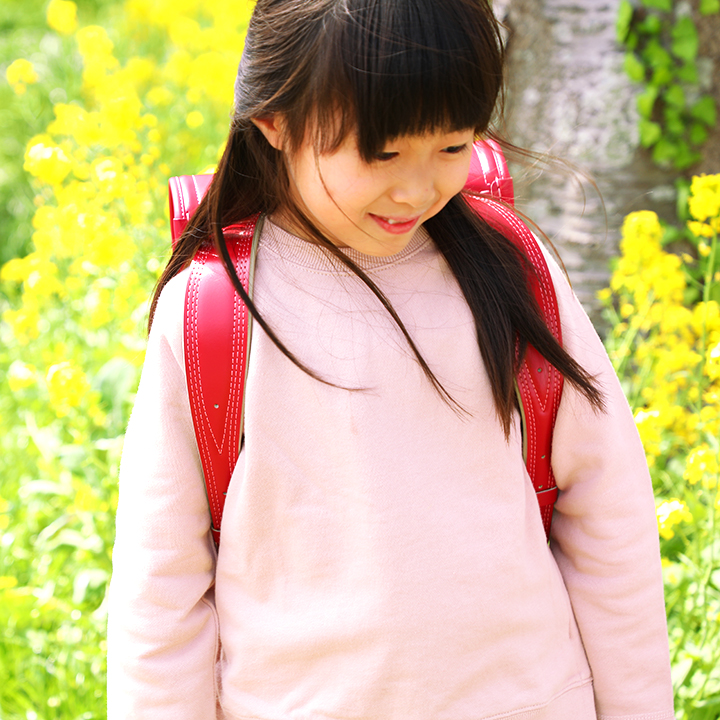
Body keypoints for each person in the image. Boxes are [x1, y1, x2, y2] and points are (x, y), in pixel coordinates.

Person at [106, 1, 675, 718]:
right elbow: (162, 595)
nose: (418, 189)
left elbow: (609, 523)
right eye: (382, 154)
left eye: (452, 146)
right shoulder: (212, 313)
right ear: (274, 120)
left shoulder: (507, 271)